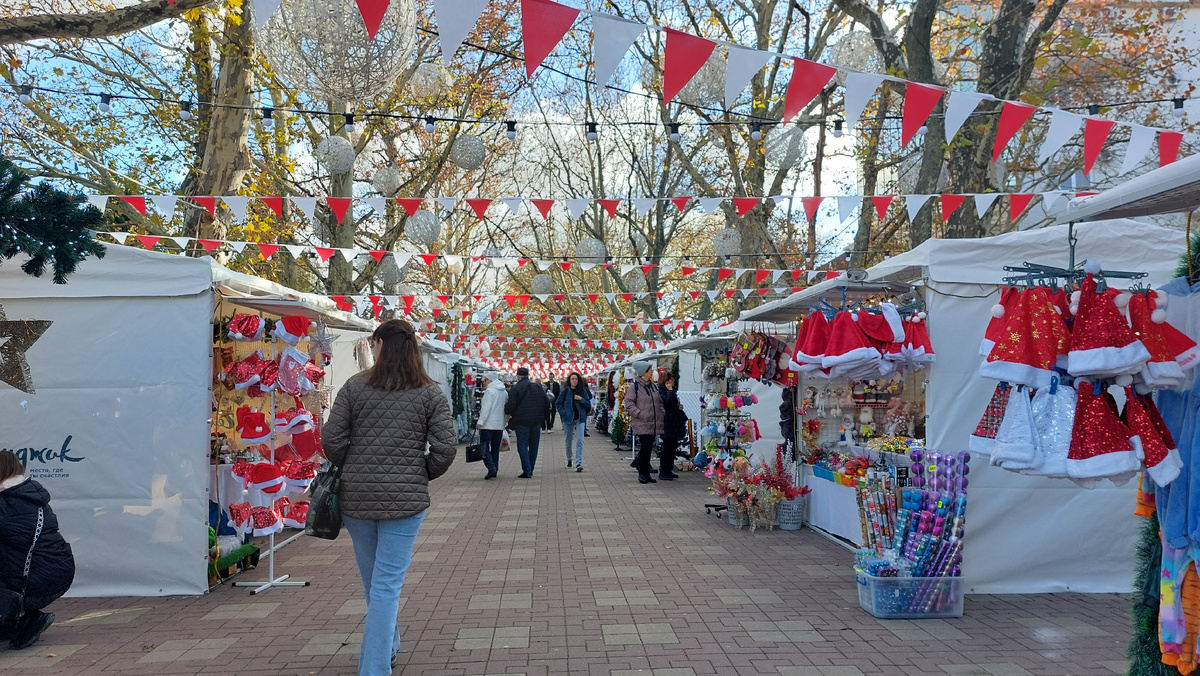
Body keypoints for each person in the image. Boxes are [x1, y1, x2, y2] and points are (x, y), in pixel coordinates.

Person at [324, 319, 457, 676]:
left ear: (380, 344)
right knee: (385, 584)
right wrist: (420, 472)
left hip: (357, 500)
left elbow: (332, 440)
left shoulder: (354, 386)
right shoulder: (429, 392)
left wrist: (353, 465)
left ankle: (387, 647)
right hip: (406, 502)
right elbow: (445, 448)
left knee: (375, 583)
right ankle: (375, 667)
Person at [0, 451, 73, 651]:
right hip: (57, 570)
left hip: (38, 578)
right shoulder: (29, 495)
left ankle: (28, 619)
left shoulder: (6, 503)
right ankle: (14, 621)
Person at [505, 367, 550, 478]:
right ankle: (531, 468)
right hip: (536, 421)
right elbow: (547, 403)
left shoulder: (516, 388)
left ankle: (527, 469)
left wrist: (508, 412)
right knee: (534, 446)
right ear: (528, 375)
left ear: (518, 376)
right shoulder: (537, 387)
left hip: (521, 421)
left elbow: (510, 405)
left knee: (523, 445)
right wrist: (542, 417)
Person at [625, 361, 665, 484]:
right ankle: (642, 473)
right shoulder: (635, 387)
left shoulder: (652, 386)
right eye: (649, 370)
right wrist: (640, 414)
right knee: (646, 446)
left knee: (647, 448)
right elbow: (629, 403)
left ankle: (646, 473)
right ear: (643, 372)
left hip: (653, 422)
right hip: (642, 422)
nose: (652, 371)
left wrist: (661, 411)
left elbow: (659, 402)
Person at [556, 371, 593, 471]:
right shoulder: (565, 391)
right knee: (568, 441)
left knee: (580, 441)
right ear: (569, 380)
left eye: (576, 379)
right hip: (568, 419)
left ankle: (578, 463)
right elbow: (558, 404)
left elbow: (588, 404)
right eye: (572, 379)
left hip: (580, 419)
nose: (574, 381)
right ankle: (569, 458)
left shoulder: (583, 391)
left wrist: (581, 399)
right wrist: (563, 413)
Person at [476, 372, 508, 480]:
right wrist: (505, 423)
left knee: (484, 446)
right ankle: (495, 468)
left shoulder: (489, 391)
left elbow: (486, 408)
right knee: (495, 448)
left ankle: (491, 466)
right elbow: (506, 409)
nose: (483, 382)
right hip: (499, 424)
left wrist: (480, 421)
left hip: (488, 424)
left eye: (485, 380)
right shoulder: (504, 392)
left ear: (490, 380)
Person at [659, 372, 687, 480]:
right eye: (671, 379)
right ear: (666, 380)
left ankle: (668, 469)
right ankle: (664, 470)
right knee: (667, 447)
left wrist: (678, 406)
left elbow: (672, 403)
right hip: (668, 423)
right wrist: (670, 390)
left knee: (672, 447)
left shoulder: (669, 391)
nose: (673, 381)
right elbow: (666, 402)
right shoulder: (662, 391)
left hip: (674, 423)